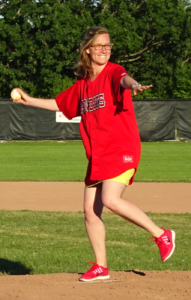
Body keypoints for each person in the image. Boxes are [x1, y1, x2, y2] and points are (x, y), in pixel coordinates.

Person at [11, 26, 175, 282]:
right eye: (99, 46)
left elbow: (125, 79)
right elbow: (60, 103)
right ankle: (101, 266)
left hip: (121, 148)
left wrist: (134, 86)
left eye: (108, 45)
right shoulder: (83, 84)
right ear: (87, 49)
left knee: (110, 199)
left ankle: (161, 234)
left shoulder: (113, 72)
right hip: (98, 154)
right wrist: (27, 99)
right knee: (89, 210)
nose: (104, 50)